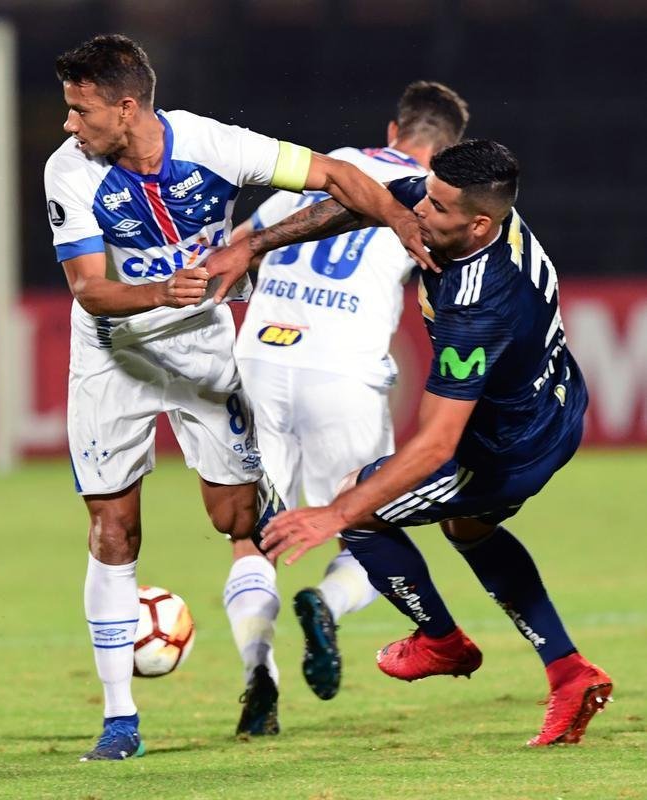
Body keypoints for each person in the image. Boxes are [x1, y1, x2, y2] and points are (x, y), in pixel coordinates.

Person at [43, 33, 430, 761]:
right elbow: (90, 289)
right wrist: (163, 290)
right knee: (115, 529)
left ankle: (261, 672)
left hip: (207, 352)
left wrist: (403, 223)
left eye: (80, 110)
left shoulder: (214, 144)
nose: (70, 124)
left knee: (240, 519)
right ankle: (119, 718)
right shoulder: (69, 170)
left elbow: (334, 176)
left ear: (127, 108)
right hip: (113, 359)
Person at [211, 139, 613, 747]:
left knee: (361, 503)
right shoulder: (469, 213)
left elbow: (435, 444)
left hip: (501, 450)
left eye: (437, 208)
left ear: (478, 223)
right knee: (468, 528)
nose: (420, 210)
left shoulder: (478, 305)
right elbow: (366, 204)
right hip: (557, 408)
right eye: (425, 194)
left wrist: (336, 514)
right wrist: (251, 244)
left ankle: (442, 643)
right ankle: (568, 671)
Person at [232, 82, 469, 701]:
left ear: (395, 130)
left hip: (258, 354)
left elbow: (242, 245)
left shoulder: (332, 164)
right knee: (365, 523)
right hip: (342, 368)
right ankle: (327, 608)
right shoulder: (434, 200)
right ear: (449, 151)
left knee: (254, 533)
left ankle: (259, 673)